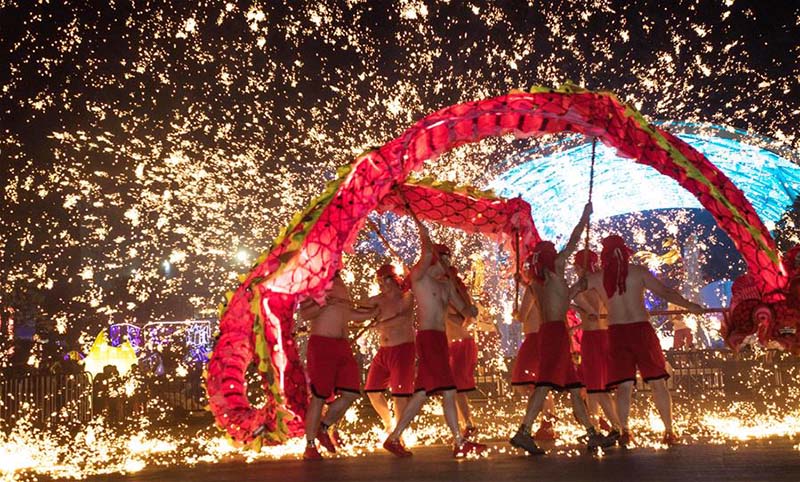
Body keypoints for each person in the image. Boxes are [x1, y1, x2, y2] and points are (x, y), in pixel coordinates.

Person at [579, 235, 704, 447]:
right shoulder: (638, 272)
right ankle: (669, 431)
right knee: (657, 383)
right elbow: (665, 292)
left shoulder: (598, 277)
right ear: (625, 252)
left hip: (617, 332)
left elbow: (568, 293)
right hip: (640, 330)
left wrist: (578, 298)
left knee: (624, 386)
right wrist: (689, 305)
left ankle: (625, 431)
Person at [383, 205, 486, 458]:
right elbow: (426, 248)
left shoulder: (446, 286)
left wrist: (471, 311)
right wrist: (421, 229)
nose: (447, 267)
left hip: (440, 340)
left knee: (421, 394)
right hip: (428, 339)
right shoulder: (420, 278)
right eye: (443, 260)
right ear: (433, 260)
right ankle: (459, 441)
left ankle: (394, 438)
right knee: (449, 390)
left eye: (449, 262)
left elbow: (464, 312)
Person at [509, 202, 611, 455]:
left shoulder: (537, 282)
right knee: (544, 385)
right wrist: (584, 216)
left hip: (550, 332)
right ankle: (523, 431)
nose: (559, 255)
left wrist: (577, 288)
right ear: (551, 257)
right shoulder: (555, 272)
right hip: (554, 333)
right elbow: (575, 242)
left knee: (575, 388)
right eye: (555, 252)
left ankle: (592, 433)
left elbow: (560, 300)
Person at [298, 271, 378, 460]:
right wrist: (324, 300)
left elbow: (348, 313)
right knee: (319, 396)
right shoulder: (314, 282)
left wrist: (372, 313)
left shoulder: (341, 284)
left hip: (342, 346)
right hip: (322, 343)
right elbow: (305, 314)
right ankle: (309, 446)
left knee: (351, 392)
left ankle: (323, 427)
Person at [571, 248, 622, 438]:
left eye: (576, 267)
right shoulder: (604, 281)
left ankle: (617, 428)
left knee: (598, 388)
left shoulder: (585, 284)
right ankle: (596, 428)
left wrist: (585, 308)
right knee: (594, 387)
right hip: (604, 334)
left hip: (593, 338)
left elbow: (573, 296)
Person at [363, 264, 416, 434]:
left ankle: (398, 435)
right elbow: (359, 314)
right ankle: (389, 424)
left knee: (399, 396)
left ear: (393, 280)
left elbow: (404, 318)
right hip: (384, 351)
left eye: (383, 280)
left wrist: (380, 324)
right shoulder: (376, 300)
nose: (380, 285)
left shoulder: (406, 297)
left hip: (403, 350)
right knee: (372, 390)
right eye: (378, 281)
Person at [511, 260, 558, 441]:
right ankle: (548, 420)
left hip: (533, 339)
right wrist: (523, 283)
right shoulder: (546, 287)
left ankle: (547, 420)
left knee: (530, 384)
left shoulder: (532, 289)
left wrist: (515, 314)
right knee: (540, 383)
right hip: (544, 337)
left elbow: (522, 316)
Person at [443, 251, 479, 439]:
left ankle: (469, 424)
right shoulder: (446, 286)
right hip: (453, 344)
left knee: (456, 388)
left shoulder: (456, 288)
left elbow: (470, 316)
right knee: (453, 389)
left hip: (461, 343)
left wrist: (453, 317)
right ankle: (465, 425)